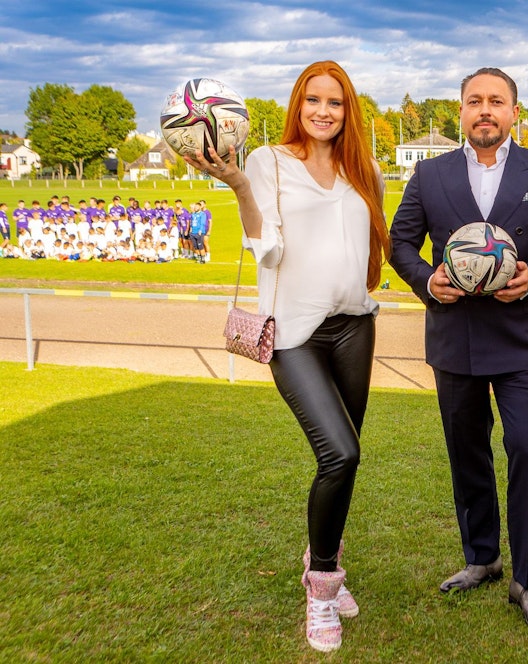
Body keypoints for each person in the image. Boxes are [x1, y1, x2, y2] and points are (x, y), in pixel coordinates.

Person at [184, 59, 391, 653]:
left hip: (355, 328)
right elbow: (269, 252)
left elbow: (370, 245)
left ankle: (324, 558)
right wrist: (242, 187)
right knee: (340, 452)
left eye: (336, 102)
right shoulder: (267, 162)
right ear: (297, 105)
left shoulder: (364, 169)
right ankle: (321, 590)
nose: (323, 112)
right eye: (313, 100)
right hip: (294, 335)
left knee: (346, 462)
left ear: (349, 110)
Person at [389, 67, 528, 633]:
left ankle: (526, 580)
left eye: (496, 101)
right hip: (455, 339)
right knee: (467, 453)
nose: (486, 110)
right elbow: (399, 242)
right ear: (460, 111)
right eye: (475, 101)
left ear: (514, 112)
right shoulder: (429, 175)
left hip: (523, 341)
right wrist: (427, 281)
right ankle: (482, 557)